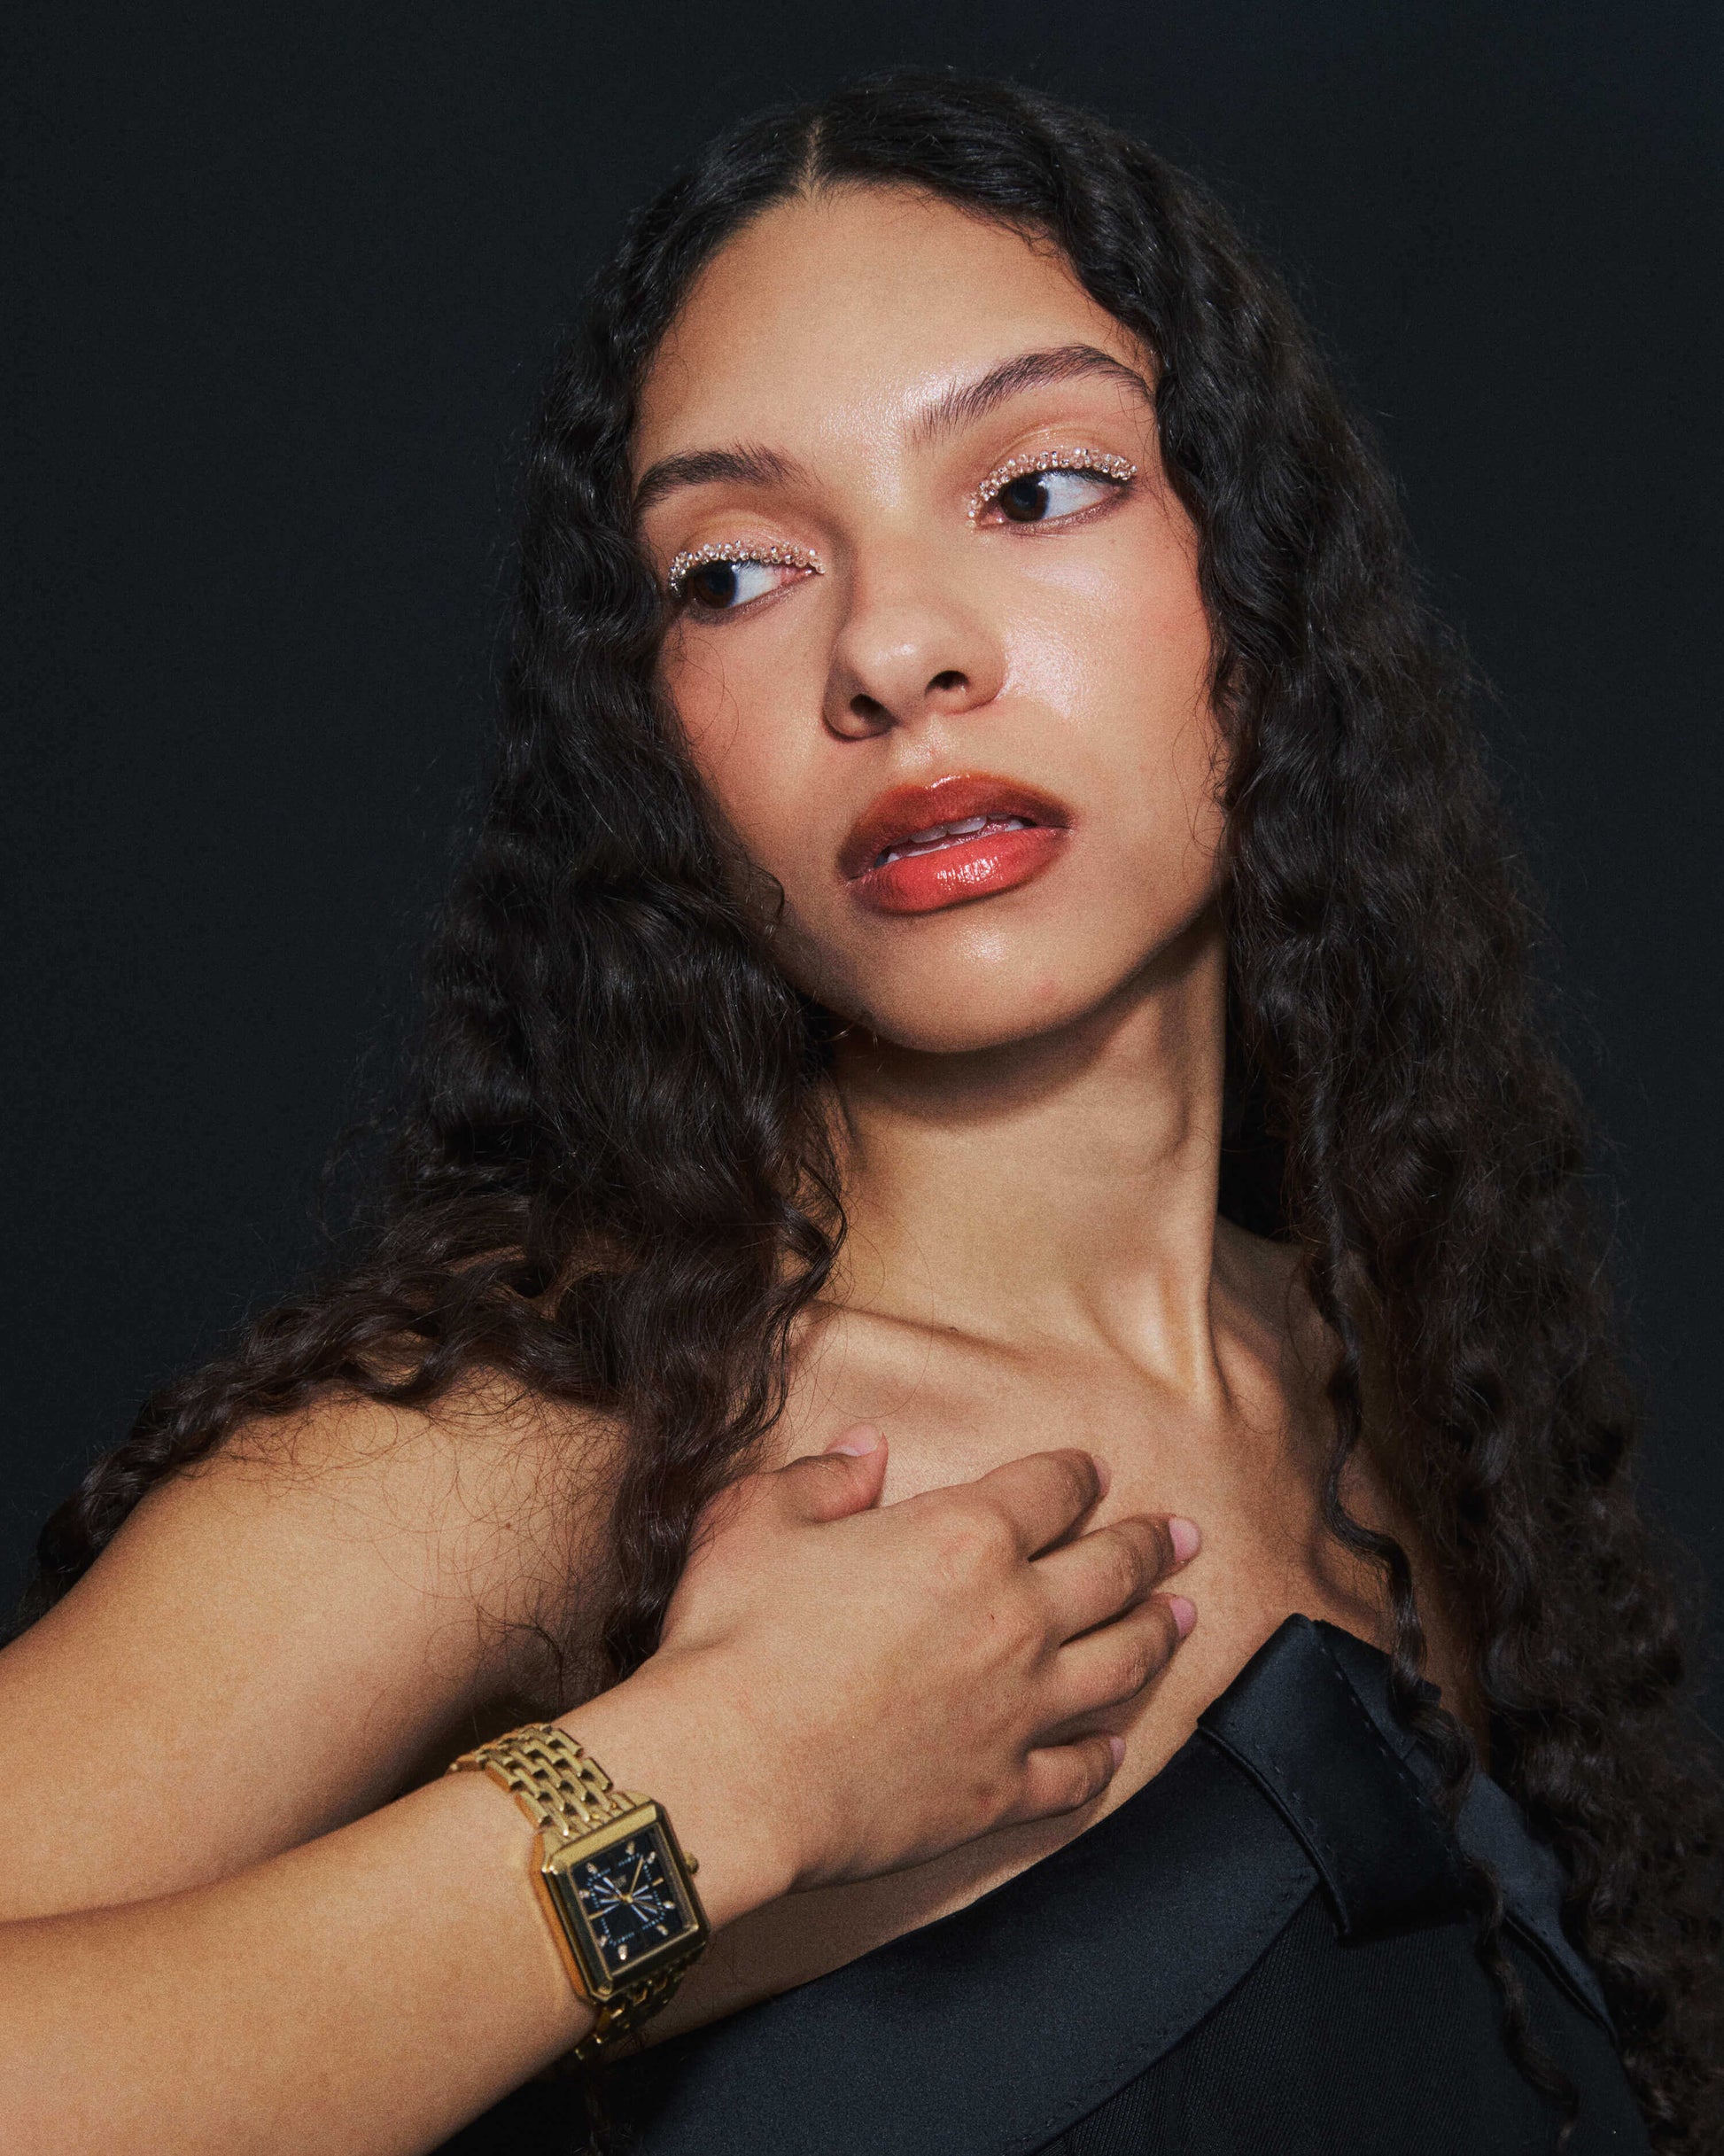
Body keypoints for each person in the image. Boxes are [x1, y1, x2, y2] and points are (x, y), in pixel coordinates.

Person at [4, 68, 1719, 2155]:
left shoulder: (1382, 1393)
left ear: (1265, 576)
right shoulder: (578, 1420)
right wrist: (715, 1776)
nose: (893, 652)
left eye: (1037, 487)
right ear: (646, 737)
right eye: (732, 575)